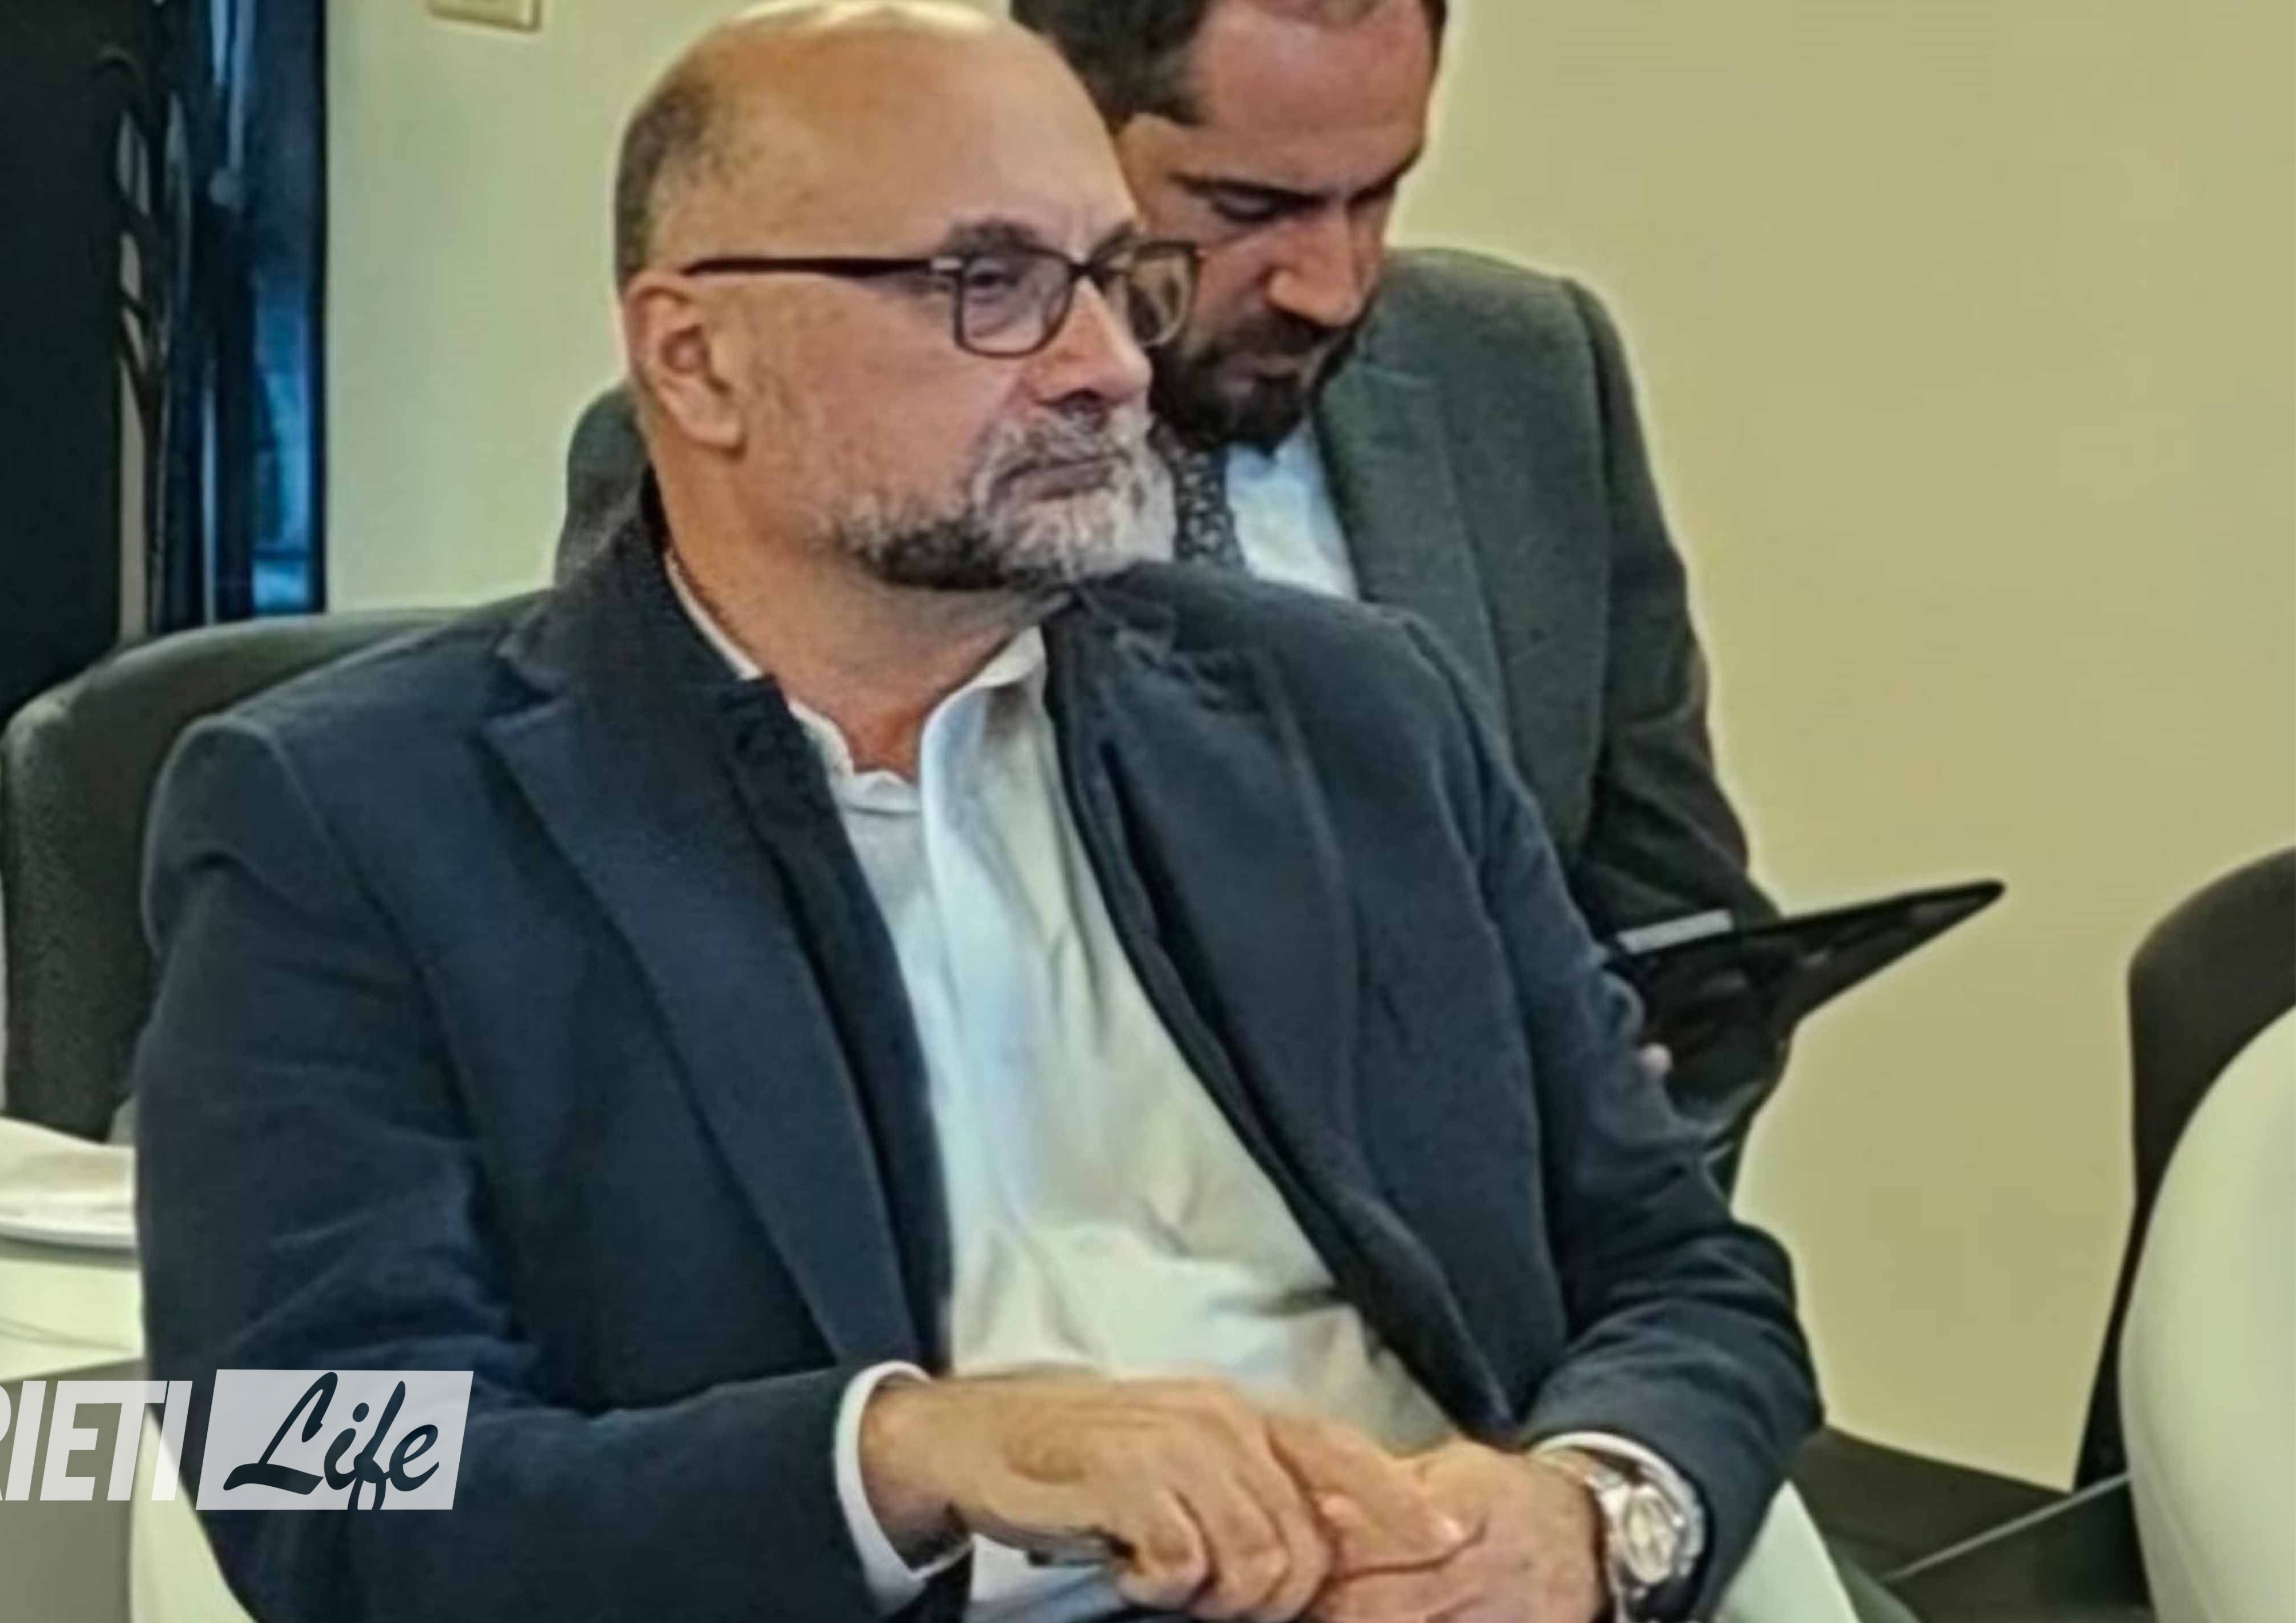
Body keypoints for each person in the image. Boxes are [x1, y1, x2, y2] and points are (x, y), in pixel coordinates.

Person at [137, 5, 1838, 1621]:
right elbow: (311, 1459)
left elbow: (1685, 1268)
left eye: (1116, 278)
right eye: (990, 287)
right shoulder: (359, 815)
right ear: (697, 358)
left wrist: (1588, 1514)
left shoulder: (1350, 712)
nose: (1105, 367)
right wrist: (896, 1454)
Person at [554, 0, 1785, 1186]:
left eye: (1376, 195)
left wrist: (1590, 1226)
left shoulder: (1521, 372)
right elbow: (671, 1019)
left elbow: (1684, 938)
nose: (1330, 285)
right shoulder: (799, 443)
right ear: (1058, 123)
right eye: (1247, 208)